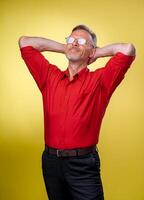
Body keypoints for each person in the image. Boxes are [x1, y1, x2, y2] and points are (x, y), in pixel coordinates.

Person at [18, 25, 136, 200]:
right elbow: (25, 42)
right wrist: (68, 47)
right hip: (51, 162)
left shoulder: (101, 81)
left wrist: (96, 52)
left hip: (83, 164)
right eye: (71, 39)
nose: (74, 43)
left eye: (81, 41)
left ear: (91, 51)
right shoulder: (49, 76)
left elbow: (128, 49)